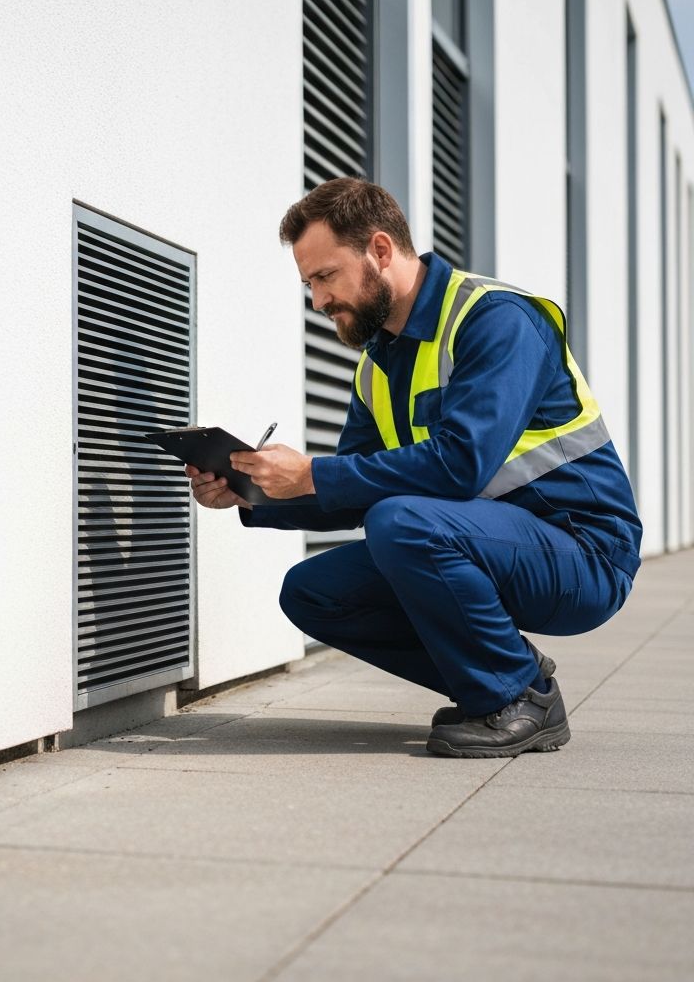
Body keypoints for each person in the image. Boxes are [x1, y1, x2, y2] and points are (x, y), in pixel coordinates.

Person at [186, 177, 642, 758]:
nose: (318, 301)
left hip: (584, 554)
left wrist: (311, 474)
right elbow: (350, 489)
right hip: (483, 545)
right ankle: (510, 678)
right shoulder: (377, 367)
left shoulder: (496, 320)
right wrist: (250, 494)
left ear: (380, 250)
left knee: (403, 521)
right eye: (308, 284)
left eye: (325, 277)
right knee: (313, 591)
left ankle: (519, 701)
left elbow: (461, 465)